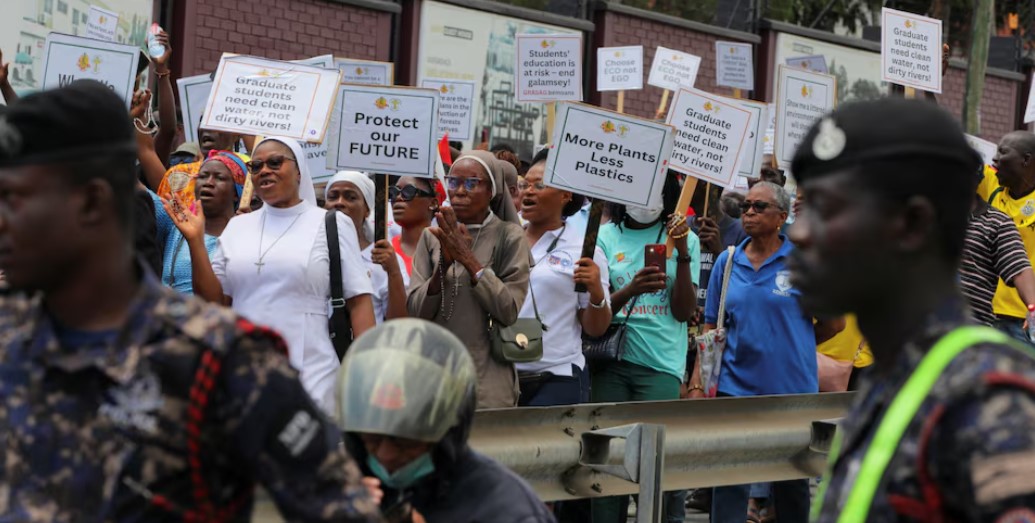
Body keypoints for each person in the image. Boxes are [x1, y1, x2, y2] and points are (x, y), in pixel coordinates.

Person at [0, 81, 381, 522]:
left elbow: (339, 509)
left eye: (15, 199)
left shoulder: (220, 362)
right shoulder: (11, 334)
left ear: (92, 202)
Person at [791, 98, 1035, 521]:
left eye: (827, 208)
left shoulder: (986, 396)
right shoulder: (894, 380)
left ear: (912, 223)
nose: (798, 232)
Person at [173, 136, 377, 414]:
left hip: (311, 370)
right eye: (256, 166)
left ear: (299, 171)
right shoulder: (237, 227)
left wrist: (366, 375)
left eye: (275, 162)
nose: (264, 170)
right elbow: (215, 303)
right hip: (244, 371)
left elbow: (360, 302)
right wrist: (196, 242)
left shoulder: (331, 223)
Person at [691, 182, 838, 523]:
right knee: (729, 481)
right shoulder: (727, 262)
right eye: (745, 207)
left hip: (792, 391)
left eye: (759, 207)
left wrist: (793, 344)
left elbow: (834, 324)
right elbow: (711, 329)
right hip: (734, 390)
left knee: (791, 484)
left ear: (781, 217)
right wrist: (698, 382)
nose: (749, 213)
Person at [338, 319, 555, 523]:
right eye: (372, 440)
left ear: (445, 433)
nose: (386, 454)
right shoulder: (354, 494)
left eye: (404, 442)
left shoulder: (505, 510)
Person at [592, 171, 699, 523]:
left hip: (661, 367)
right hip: (612, 364)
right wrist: (630, 290)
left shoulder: (686, 239)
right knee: (609, 466)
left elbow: (683, 311)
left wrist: (682, 252)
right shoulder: (606, 237)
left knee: (659, 468)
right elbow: (596, 309)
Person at [407, 150, 530, 409]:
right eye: (453, 182)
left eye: (472, 183)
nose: (460, 191)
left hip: (487, 380)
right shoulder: (431, 236)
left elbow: (508, 310)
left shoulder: (509, 237)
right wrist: (444, 265)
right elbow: (416, 311)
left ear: (492, 191)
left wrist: (467, 258)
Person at [516, 148, 612, 407]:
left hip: (557, 378)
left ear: (565, 195)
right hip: (504, 376)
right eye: (525, 184)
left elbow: (595, 328)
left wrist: (596, 293)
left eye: (540, 185)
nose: (529, 191)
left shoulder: (584, 249)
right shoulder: (506, 238)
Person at [154, 150, 245, 295]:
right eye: (202, 176)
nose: (208, 183)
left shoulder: (244, 239)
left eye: (219, 178)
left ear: (236, 192)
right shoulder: (175, 222)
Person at [325, 170, 409, 323]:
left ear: (367, 209)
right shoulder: (312, 252)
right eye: (333, 196)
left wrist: (393, 272)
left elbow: (398, 324)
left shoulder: (382, 258)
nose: (339, 203)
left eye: (350, 197)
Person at [977, 131, 1035, 342]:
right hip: (986, 316)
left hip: (1026, 322)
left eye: (1002, 152)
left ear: (1026, 160)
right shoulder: (991, 184)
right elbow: (956, 155)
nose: (994, 158)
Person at [961, 181, 1035, 327]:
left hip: (970, 330)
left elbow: (1018, 267)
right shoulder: (920, 218)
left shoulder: (997, 222)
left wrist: (1033, 308)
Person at [390, 175, 444, 276]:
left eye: (408, 192)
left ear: (433, 203)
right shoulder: (385, 250)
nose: (398, 198)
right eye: (393, 192)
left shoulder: (446, 250)